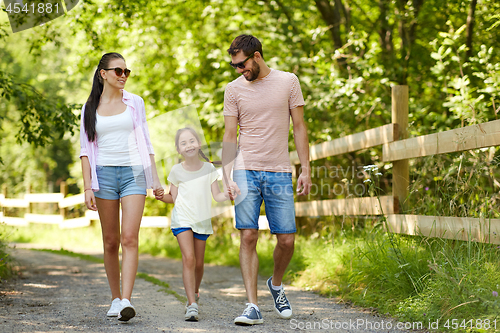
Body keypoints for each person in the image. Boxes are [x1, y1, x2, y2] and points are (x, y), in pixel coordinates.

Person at [222, 35, 312, 325]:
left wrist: (306, 168)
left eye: (242, 65)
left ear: (257, 56)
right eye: (234, 66)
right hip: (245, 169)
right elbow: (228, 135)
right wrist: (226, 174)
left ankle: (275, 283)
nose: (239, 71)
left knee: (286, 239)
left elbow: (299, 127)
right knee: (248, 234)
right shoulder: (233, 90)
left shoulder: (288, 81)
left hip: (279, 170)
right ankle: (252, 306)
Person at [80, 52, 164, 322]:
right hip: (103, 176)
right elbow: (84, 151)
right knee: (110, 241)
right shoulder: (89, 107)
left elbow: (147, 143)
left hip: (134, 174)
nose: (123, 76)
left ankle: (127, 300)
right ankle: (115, 298)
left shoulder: (135, 103)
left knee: (130, 238)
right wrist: (87, 187)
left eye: (127, 71)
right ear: (103, 73)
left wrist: (155, 178)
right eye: (118, 71)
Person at [157, 127, 230, 322]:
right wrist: (159, 196)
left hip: (202, 220)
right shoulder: (176, 170)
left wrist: (229, 194)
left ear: (199, 144)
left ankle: (195, 291)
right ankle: (192, 304)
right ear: (178, 149)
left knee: (198, 263)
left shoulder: (209, 169)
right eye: (183, 143)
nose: (188, 145)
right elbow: (172, 197)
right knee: (188, 258)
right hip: (182, 219)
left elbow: (217, 195)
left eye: (191, 141)